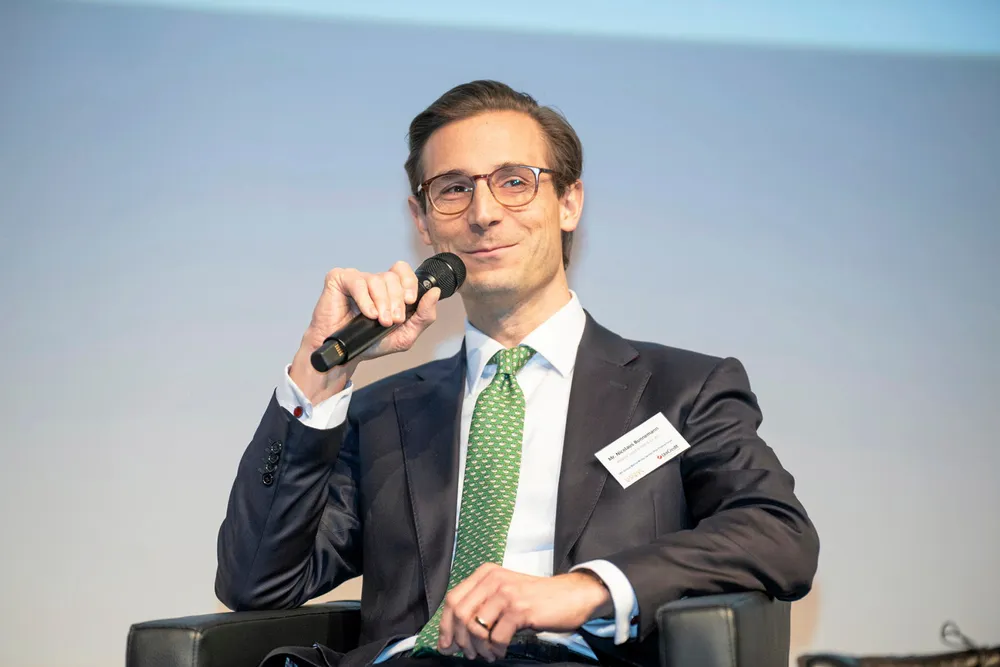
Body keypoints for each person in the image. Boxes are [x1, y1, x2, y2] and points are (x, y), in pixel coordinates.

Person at [215, 80, 820, 667]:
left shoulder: (680, 389)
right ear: (423, 220)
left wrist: (586, 588)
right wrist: (321, 369)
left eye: (513, 182)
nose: (483, 214)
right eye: (454, 189)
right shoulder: (384, 413)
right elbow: (256, 581)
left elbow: (777, 533)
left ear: (569, 202)